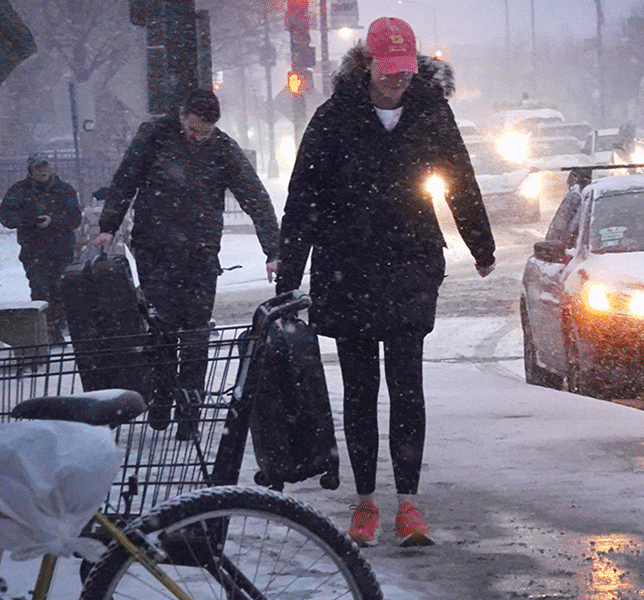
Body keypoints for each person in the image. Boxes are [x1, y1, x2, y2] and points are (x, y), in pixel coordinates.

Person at [275, 17, 495, 548]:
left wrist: (480, 246)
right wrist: (288, 274)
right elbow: (302, 199)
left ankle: (410, 505)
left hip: (409, 264)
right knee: (358, 390)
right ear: (368, 63)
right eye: (387, 69)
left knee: (407, 387)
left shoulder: (430, 111)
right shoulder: (333, 118)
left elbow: (460, 178)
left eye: (404, 70)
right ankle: (367, 503)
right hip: (346, 267)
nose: (396, 79)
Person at [93, 89, 280, 413]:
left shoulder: (222, 149)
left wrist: (273, 250)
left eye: (204, 132)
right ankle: (163, 395)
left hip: (201, 251)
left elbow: (255, 198)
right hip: (155, 248)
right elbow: (125, 181)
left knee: (196, 332)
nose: (197, 137)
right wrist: (108, 227)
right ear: (181, 116)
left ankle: (189, 407)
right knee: (161, 326)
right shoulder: (153, 138)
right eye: (193, 130)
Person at [1, 154, 82, 343]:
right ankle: (45, 331)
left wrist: (53, 220)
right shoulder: (19, 191)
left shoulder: (64, 190)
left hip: (61, 250)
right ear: (31, 170)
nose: (43, 171)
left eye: (45, 167)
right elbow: (6, 217)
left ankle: (59, 328)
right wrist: (29, 220)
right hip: (33, 250)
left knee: (60, 290)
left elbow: (75, 218)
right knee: (39, 290)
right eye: (38, 168)